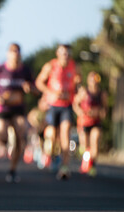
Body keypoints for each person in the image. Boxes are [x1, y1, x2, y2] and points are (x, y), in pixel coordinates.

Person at [0, 43, 38, 183]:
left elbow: (37, 90)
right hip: (2, 109)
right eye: (12, 51)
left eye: (17, 52)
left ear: (20, 54)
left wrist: (29, 88)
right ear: (8, 54)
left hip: (18, 108)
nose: (15, 54)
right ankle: (5, 142)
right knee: (1, 130)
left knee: (21, 131)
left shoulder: (25, 70)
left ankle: (12, 170)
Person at [35, 44, 81, 180]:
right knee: (53, 136)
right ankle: (52, 156)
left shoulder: (75, 67)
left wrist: (77, 89)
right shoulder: (50, 66)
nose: (65, 55)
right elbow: (39, 82)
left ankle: (65, 166)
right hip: (53, 106)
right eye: (62, 53)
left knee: (65, 134)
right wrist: (51, 92)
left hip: (67, 105)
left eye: (67, 53)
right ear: (57, 53)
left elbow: (78, 83)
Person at [73, 71, 108, 177]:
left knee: (95, 141)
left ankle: (92, 165)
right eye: (92, 80)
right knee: (85, 146)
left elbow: (105, 108)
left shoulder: (102, 94)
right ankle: (86, 162)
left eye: (95, 81)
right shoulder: (84, 92)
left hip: (96, 122)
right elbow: (75, 103)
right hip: (84, 122)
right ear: (88, 81)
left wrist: (102, 113)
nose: (94, 83)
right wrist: (80, 112)